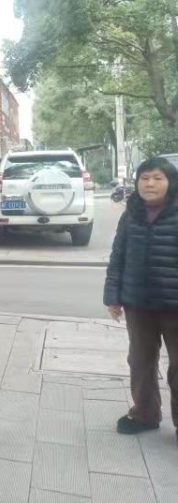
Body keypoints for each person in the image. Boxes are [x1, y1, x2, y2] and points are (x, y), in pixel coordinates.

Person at [104, 156, 178, 442]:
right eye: (144, 178)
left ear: (171, 182)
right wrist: (113, 296)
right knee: (140, 361)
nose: (150, 184)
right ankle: (145, 414)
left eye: (158, 178)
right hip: (138, 303)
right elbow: (118, 256)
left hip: (174, 305)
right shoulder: (131, 214)